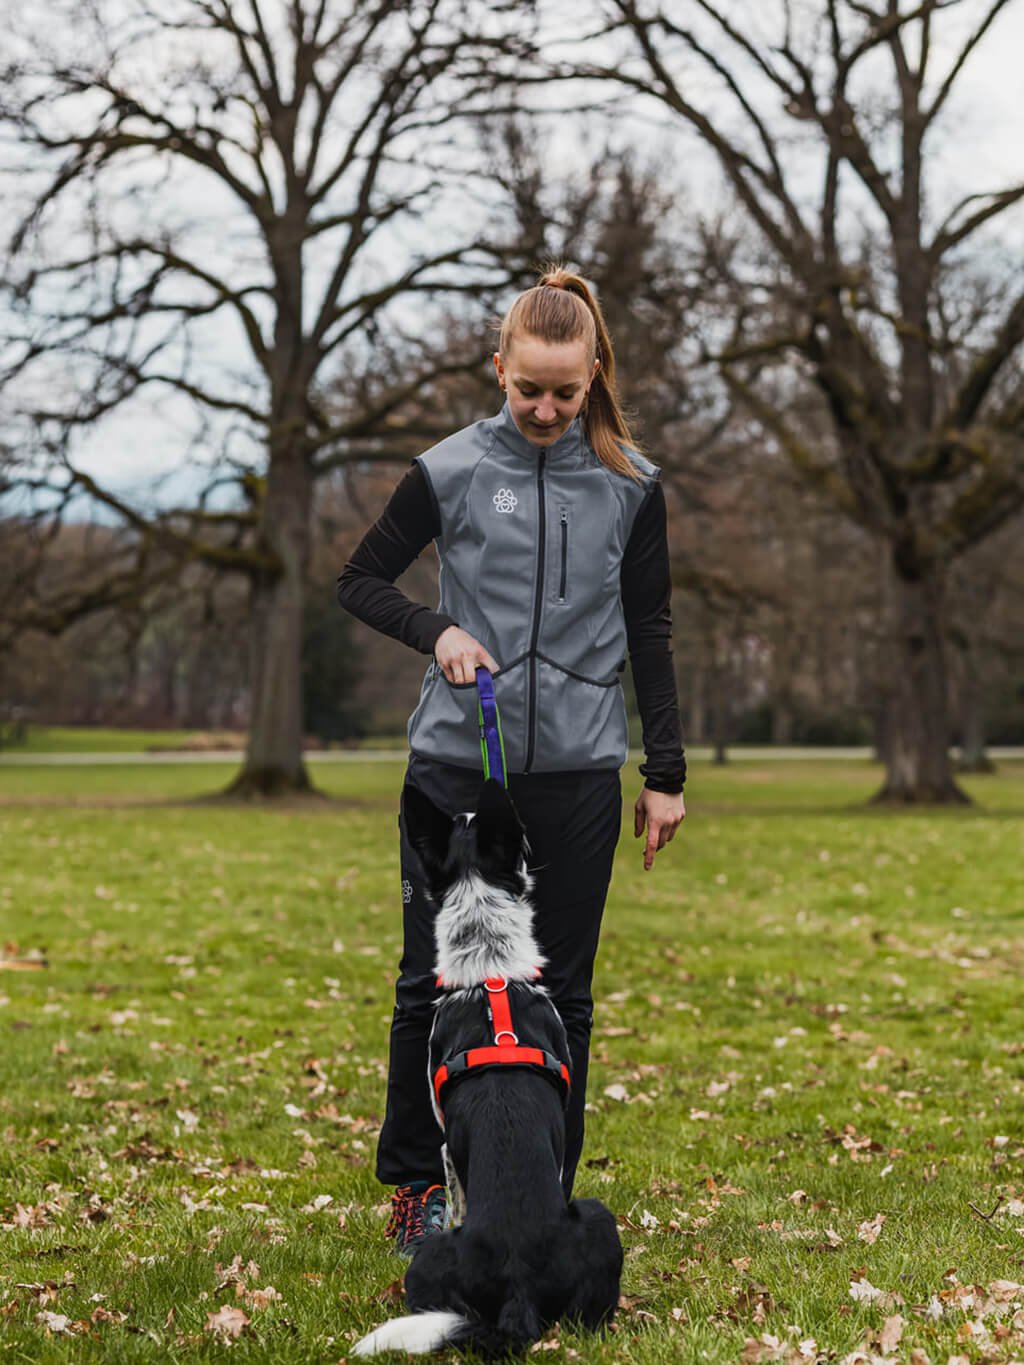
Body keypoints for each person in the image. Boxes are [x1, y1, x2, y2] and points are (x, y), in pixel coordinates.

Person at [337, 267, 686, 1257]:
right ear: (499, 368)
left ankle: (540, 1197)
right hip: (456, 764)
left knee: (561, 996)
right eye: (525, 387)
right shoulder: (446, 470)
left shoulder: (631, 487)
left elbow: (650, 630)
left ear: (592, 376)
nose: (542, 407)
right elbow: (359, 581)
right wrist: (435, 627)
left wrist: (666, 774)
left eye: (563, 392)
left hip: (577, 770)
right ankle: (417, 1187)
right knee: (433, 985)